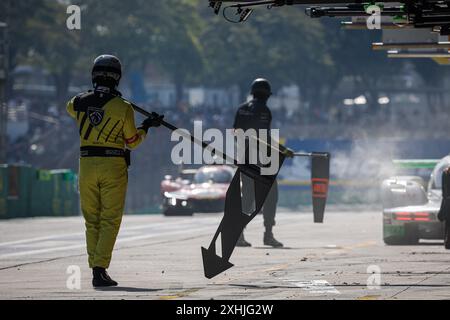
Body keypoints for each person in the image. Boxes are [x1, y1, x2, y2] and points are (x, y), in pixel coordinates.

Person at [66, 54, 164, 287]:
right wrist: (147, 126)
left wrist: (96, 96)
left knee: (92, 220)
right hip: (113, 165)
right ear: (117, 78)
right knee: (110, 220)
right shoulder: (123, 107)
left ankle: (95, 269)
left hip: (87, 164)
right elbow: (132, 141)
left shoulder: (77, 102)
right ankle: (100, 270)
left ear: (94, 75)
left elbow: (73, 107)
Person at [233, 78, 293, 248]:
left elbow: (236, 132)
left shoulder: (241, 109)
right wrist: (283, 150)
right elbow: (264, 138)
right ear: (267, 95)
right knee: (270, 196)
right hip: (264, 160)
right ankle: (268, 235)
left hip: (245, 159)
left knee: (248, 198)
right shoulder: (264, 110)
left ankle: (238, 235)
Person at [438, 167, 450, 249]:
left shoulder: (445, 172)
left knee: (448, 222)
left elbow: (444, 190)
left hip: (448, 201)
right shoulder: (446, 172)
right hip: (448, 201)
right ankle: (448, 242)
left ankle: (447, 242)